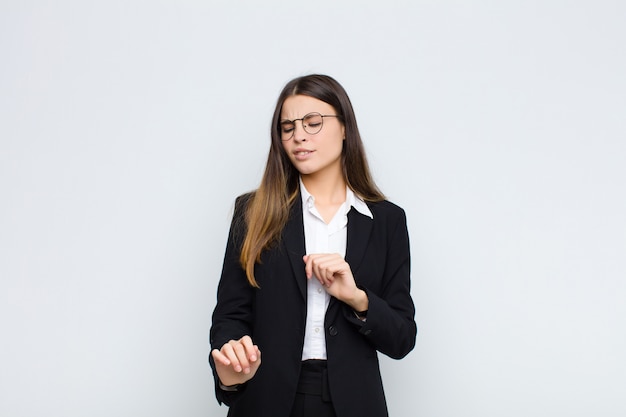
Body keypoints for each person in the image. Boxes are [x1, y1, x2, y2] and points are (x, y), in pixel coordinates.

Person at [209, 74, 417, 417]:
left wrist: (357, 298)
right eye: (287, 127)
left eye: (313, 123)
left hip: (354, 403)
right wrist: (231, 369)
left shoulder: (387, 221)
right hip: (266, 400)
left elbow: (402, 338)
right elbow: (230, 316)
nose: (298, 135)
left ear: (345, 127)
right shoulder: (253, 212)